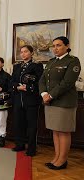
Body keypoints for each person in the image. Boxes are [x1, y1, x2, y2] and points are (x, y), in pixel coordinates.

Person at [39, 36, 81, 170]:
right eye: (54, 46)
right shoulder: (51, 62)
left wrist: (50, 95)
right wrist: (44, 94)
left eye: (58, 45)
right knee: (55, 131)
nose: (55, 49)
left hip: (64, 102)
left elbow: (67, 83)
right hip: (50, 102)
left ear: (67, 46)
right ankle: (56, 158)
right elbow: (42, 80)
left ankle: (62, 160)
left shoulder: (73, 61)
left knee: (63, 131)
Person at [11, 45, 43, 156]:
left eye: (25, 51)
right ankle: (20, 145)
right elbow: (12, 81)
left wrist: (28, 88)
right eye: (21, 52)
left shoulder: (37, 66)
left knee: (31, 125)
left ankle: (31, 148)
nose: (23, 54)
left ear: (31, 53)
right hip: (18, 99)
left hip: (31, 99)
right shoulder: (17, 66)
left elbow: (39, 81)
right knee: (19, 123)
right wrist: (17, 87)